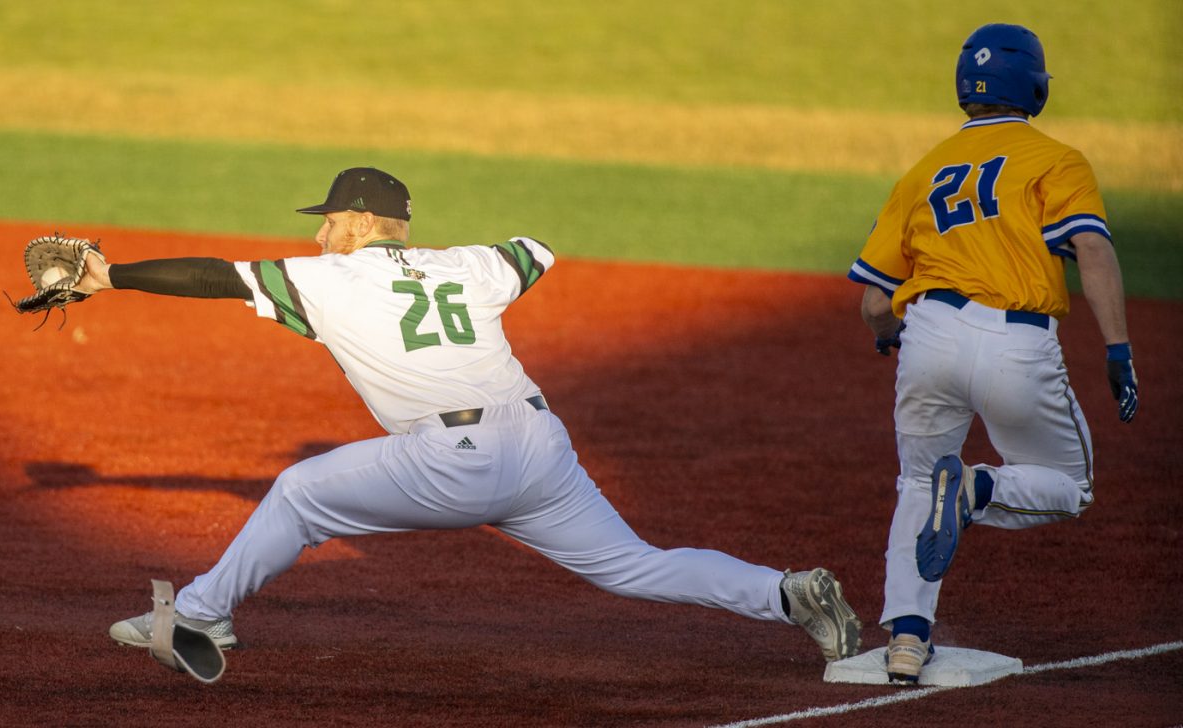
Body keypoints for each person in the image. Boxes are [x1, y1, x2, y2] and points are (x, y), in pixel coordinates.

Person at [84, 167, 863, 666]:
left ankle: (197, 618)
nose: (318, 232)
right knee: (633, 565)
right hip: (540, 447)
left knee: (298, 492)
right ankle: (786, 594)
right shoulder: (471, 264)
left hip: (455, 457)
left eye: (329, 220)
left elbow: (216, 277)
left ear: (358, 222)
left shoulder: (330, 277)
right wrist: (460, 262)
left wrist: (108, 276)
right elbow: (536, 251)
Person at [847, 24, 1140, 684]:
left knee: (918, 482)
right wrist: (1118, 349)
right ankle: (980, 489)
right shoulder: (1056, 160)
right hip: (1018, 343)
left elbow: (873, 302)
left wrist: (889, 340)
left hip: (928, 336)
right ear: (1033, 85)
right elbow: (1091, 250)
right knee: (1070, 487)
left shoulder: (921, 172)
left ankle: (905, 643)